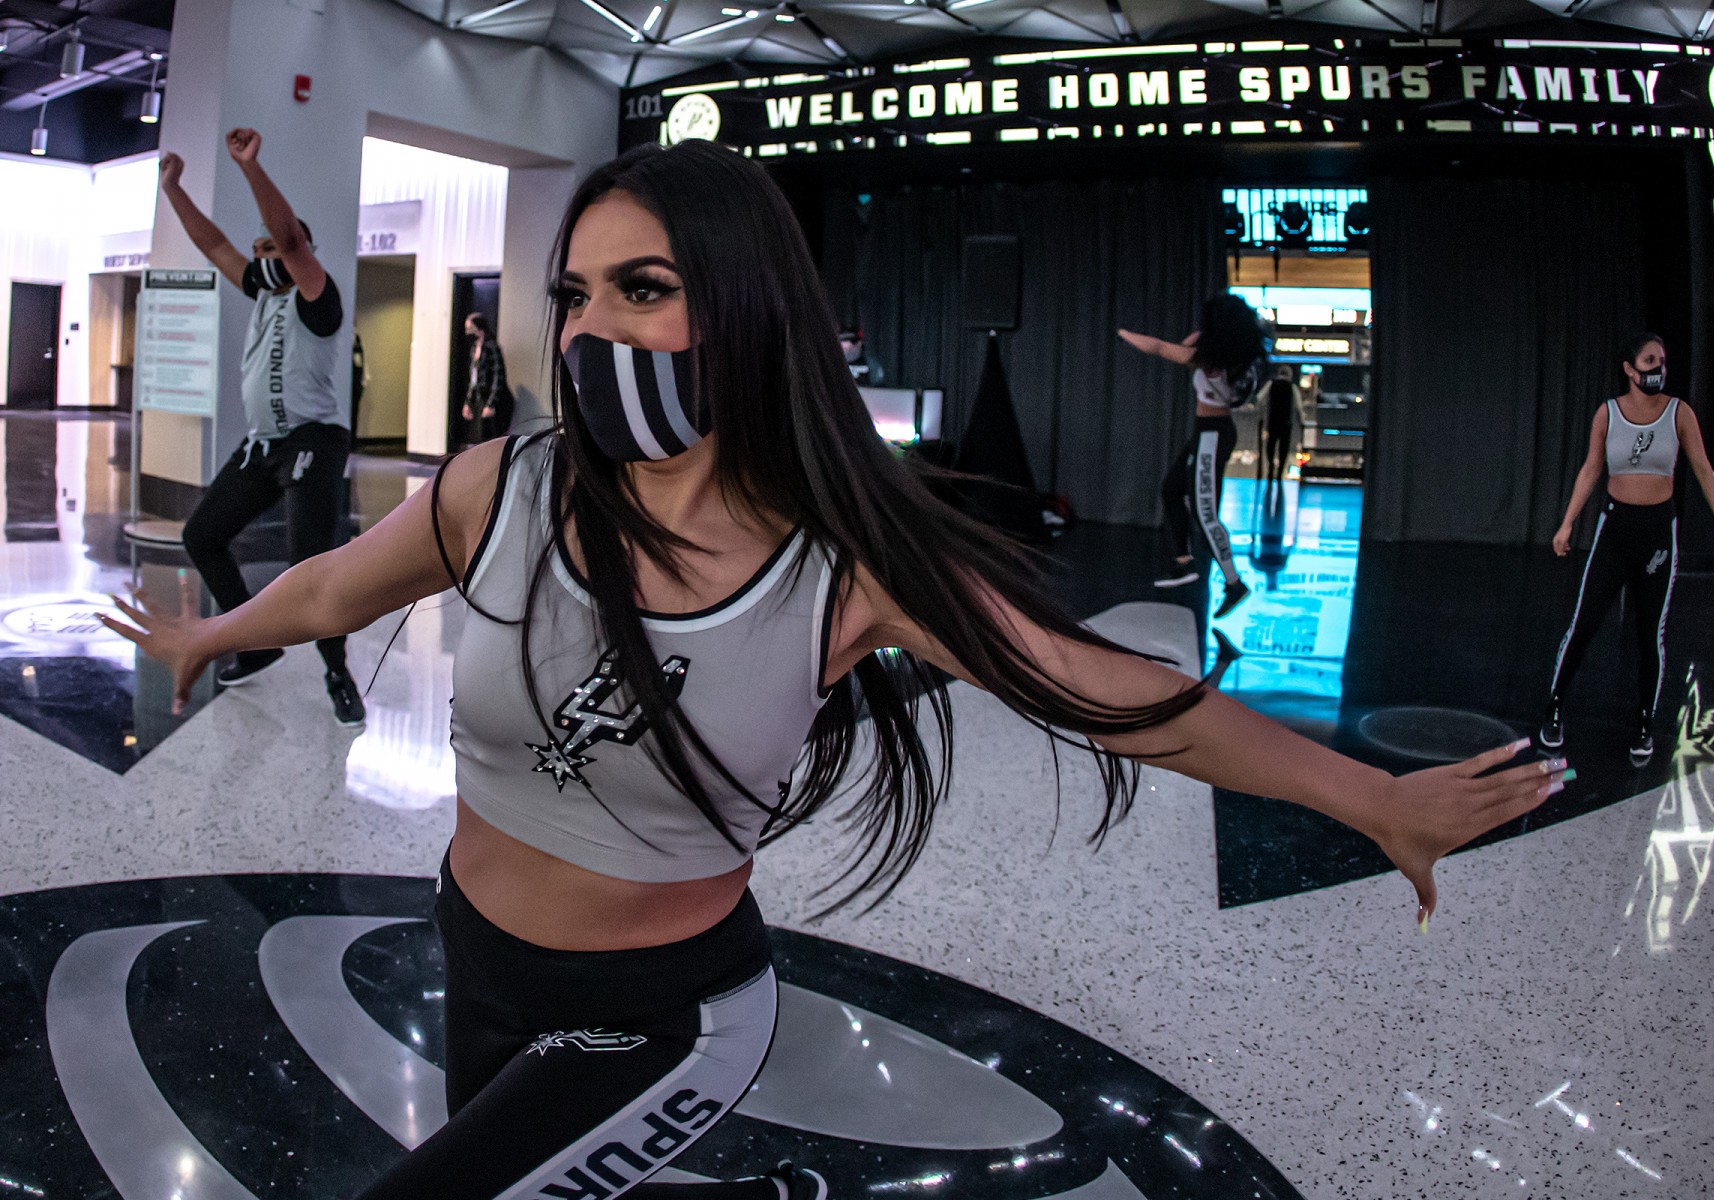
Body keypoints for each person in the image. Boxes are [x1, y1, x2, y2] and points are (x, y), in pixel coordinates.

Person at [105, 141, 1565, 1200]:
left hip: (659, 1020)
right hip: (472, 953)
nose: (594, 326)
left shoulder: (841, 566)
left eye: (643, 288)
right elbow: (333, 583)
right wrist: (210, 634)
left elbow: (1109, 690)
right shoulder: (507, 485)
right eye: (577, 292)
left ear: (744, 309)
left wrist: (1371, 801)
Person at [158, 127, 364, 726]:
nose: (261, 256)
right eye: (259, 250)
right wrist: (174, 191)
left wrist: (250, 167)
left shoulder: (318, 298)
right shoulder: (264, 292)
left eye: (270, 248)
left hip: (314, 440)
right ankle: (255, 644)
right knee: (202, 536)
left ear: (299, 253)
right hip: (264, 445)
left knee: (310, 566)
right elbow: (214, 243)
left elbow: (291, 239)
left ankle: (337, 672)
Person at [1540, 333, 1714, 766]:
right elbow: (1591, 468)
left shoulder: (1679, 412)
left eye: (1661, 360)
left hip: (1657, 534)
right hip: (1615, 530)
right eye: (1648, 361)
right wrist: (1567, 522)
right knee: (1584, 623)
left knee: (1650, 635)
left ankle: (1645, 723)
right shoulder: (1608, 413)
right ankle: (1554, 707)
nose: (1658, 368)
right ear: (1629, 369)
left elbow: (1703, 468)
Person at [1119, 294, 1268, 617]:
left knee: (1205, 513)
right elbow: (1187, 343)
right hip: (1209, 432)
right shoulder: (1227, 354)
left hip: (1212, 434)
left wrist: (1122, 332)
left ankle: (1234, 583)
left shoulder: (1213, 360)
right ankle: (1184, 562)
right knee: (1172, 489)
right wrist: (1206, 334)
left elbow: (1160, 348)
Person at [462, 312, 512, 445]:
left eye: (470, 328)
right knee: (478, 437)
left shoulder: (491, 347)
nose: (468, 332)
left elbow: (498, 376)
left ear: (480, 329)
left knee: (491, 437)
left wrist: (491, 404)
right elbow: (473, 379)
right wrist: (468, 402)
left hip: (495, 399)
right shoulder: (474, 348)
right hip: (481, 397)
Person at [1264, 364, 1296, 480]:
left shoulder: (1271, 384)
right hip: (1286, 423)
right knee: (1284, 448)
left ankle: (1270, 468)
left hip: (1273, 421)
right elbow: (1298, 406)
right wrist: (1302, 420)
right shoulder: (1292, 387)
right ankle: (1280, 473)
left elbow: (1262, 399)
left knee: (1271, 446)